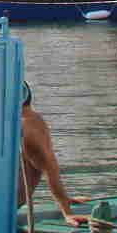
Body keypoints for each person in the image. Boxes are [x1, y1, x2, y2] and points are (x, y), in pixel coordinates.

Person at [18, 83, 83, 225]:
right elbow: (50, 167)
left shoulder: (28, 129)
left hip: (6, 205)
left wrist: (67, 212)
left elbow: (49, 169)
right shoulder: (33, 120)